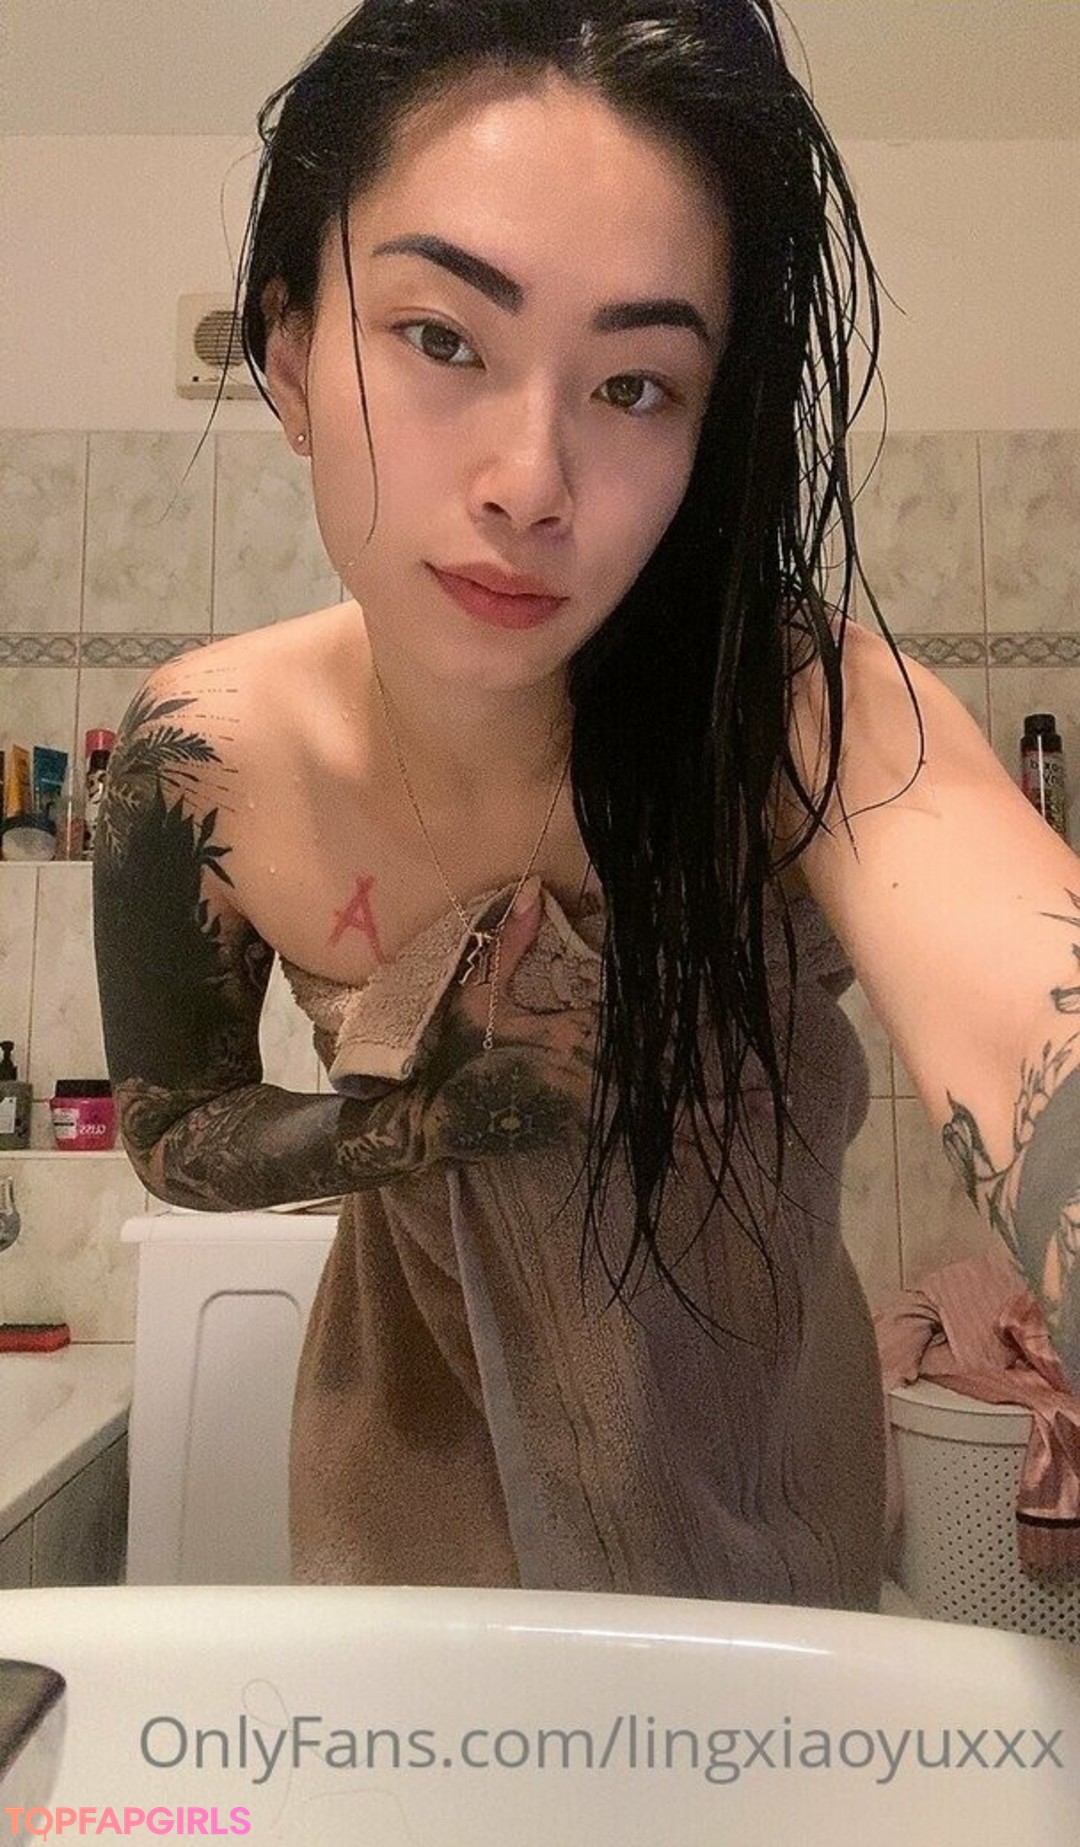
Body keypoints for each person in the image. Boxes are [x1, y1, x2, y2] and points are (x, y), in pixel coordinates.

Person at [93, 0, 1080, 1604]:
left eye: (635, 387)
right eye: (441, 339)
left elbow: (1024, 996)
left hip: (773, 1535)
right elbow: (170, 1127)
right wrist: (432, 1122)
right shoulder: (204, 763)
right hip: (409, 1550)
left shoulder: (788, 714)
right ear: (288, 354)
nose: (532, 482)